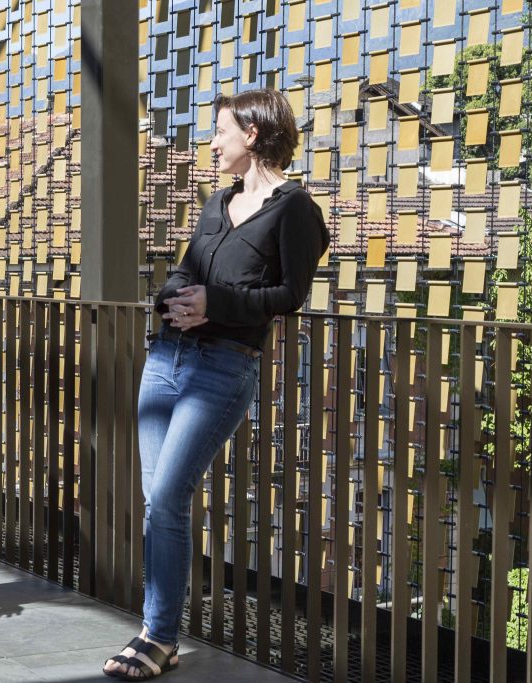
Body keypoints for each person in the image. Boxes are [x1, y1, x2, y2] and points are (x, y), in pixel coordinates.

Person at [103, 88, 329, 680]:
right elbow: (185, 270)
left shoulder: (295, 209)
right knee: (158, 502)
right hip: (166, 358)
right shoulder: (216, 202)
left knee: (166, 496)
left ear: (251, 135)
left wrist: (215, 304)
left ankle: (158, 636)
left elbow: (290, 295)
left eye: (220, 131)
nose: (211, 142)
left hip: (223, 367)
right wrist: (173, 299)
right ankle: (159, 634)